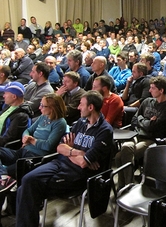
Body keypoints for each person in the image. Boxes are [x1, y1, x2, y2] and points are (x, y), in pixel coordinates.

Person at [15, 91, 114, 227]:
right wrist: (77, 152)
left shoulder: (104, 130)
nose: (78, 107)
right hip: (59, 163)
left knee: (28, 188)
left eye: (81, 104)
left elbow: (84, 163)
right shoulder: (81, 122)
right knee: (26, 181)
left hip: (78, 175)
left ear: (90, 107)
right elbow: (60, 148)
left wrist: (71, 153)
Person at [115, 76, 166, 188]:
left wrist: (141, 120)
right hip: (137, 135)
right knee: (122, 152)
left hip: (151, 139)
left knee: (122, 154)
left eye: (152, 88)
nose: (149, 90)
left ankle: (125, 186)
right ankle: (126, 185)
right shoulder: (147, 101)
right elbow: (134, 119)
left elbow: (153, 128)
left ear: (161, 90)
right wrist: (146, 121)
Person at [0, 93, 67, 177]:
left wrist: (31, 140)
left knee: (7, 171)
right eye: (40, 105)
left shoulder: (60, 123)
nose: (39, 108)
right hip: (22, 151)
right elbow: (28, 130)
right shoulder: (43, 117)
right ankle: (4, 176)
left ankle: (4, 176)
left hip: (34, 157)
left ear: (52, 108)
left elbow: (48, 146)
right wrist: (25, 137)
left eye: (43, 106)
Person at [0, 82, 33, 146]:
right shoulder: (8, 106)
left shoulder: (21, 116)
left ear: (14, 97)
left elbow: (8, 139)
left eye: (5, 93)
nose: (3, 96)